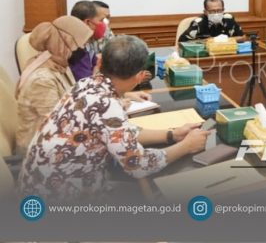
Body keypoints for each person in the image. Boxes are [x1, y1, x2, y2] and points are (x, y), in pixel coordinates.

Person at [18, 36, 210, 201]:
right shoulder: (106, 105)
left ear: (100, 62)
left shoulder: (86, 84)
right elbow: (138, 165)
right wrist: (186, 146)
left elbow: (119, 132)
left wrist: (172, 135)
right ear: (140, 77)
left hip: (37, 184)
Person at [14, 16, 93, 154]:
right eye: (80, 44)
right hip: (40, 153)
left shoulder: (59, 65)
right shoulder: (42, 80)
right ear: (64, 43)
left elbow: (72, 103)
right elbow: (58, 124)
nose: (82, 49)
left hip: (58, 143)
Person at [178, 0, 245, 42]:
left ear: (223, 10)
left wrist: (224, 40)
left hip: (226, 52)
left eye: (219, 10)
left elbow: (243, 37)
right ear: (205, 12)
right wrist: (207, 41)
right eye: (212, 11)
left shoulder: (229, 19)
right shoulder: (198, 23)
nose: (216, 13)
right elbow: (182, 41)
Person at [69, 0, 108, 80]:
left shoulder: (87, 43)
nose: (103, 24)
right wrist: (95, 73)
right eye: (101, 20)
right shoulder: (76, 49)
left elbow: (97, 65)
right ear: (87, 22)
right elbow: (86, 82)